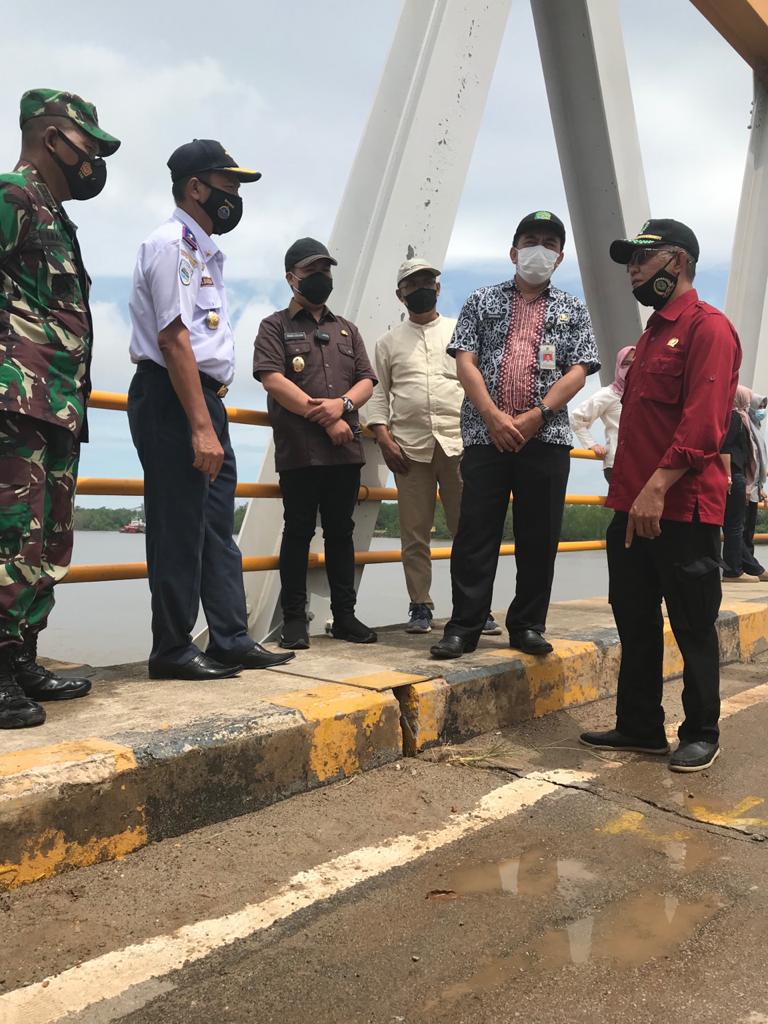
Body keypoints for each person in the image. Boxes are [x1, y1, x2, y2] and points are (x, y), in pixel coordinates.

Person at [127, 139, 294, 679]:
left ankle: (230, 638)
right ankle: (172, 649)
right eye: (228, 185)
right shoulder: (170, 245)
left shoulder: (203, 253)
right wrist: (200, 426)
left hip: (204, 401)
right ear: (195, 188)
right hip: (175, 400)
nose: (235, 197)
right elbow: (173, 338)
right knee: (178, 526)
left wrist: (208, 418)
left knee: (216, 527)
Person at [581, 219, 741, 773]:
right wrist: (632, 495)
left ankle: (701, 732)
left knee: (692, 623)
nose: (632, 270)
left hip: (682, 506)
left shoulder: (709, 328)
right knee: (635, 618)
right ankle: (640, 725)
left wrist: (656, 488)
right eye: (629, 261)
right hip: (631, 504)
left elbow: (705, 422)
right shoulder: (649, 336)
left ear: (678, 261)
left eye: (642, 259)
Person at [0, 89, 120, 730]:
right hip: (16, 402)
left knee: (45, 541)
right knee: (9, 535)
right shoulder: (13, 196)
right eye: (88, 147)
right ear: (52, 138)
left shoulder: (54, 215)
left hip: (56, 407)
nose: (94, 162)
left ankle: (22, 658)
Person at [430, 211, 600, 660]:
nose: (539, 249)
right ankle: (464, 626)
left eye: (549, 243)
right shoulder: (481, 300)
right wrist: (492, 416)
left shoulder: (573, 308)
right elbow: (464, 361)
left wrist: (536, 416)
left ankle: (527, 625)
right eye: (531, 241)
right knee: (475, 533)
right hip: (485, 436)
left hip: (547, 438)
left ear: (559, 257)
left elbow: (579, 369)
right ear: (513, 251)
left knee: (539, 536)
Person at [253, 238, 378, 650]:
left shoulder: (347, 329)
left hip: (344, 451)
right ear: (292, 278)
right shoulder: (274, 326)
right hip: (301, 451)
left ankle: (345, 616)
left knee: (341, 533)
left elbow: (366, 381)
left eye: (325, 270)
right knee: (298, 531)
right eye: (312, 271)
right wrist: (327, 418)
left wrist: (343, 406)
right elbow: (274, 380)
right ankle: (294, 620)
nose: (321, 277)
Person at [364, 257, 500, 636]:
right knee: (414, 532)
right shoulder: (387, 343)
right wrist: (383, 437)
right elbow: (379, 395)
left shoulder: (460, 333)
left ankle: (475, 609)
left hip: (459, 445)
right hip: (409, 450)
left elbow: (481, 386)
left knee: (468, 530)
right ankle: (420, 605)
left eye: (427, 282)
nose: (420, 289)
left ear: (438, 288)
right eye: (412, 285)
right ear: (400, 295)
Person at [569, 346, 635, 484]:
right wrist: (591, 444)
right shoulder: (609, 394)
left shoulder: (646, 396)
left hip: (645, 464)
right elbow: (576, 418)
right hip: (618, 465)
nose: (631, 368)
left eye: (635, 363)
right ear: (618, 366)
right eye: (626, 363)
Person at [720, 386, 760, 581]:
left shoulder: (741, 419)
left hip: (736, 476)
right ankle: (733, 571)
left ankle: (741, 568)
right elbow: (726, 449)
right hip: (734, 476)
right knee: (734, 526)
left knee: (735, 526)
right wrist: (728, 476)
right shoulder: (734, 418)